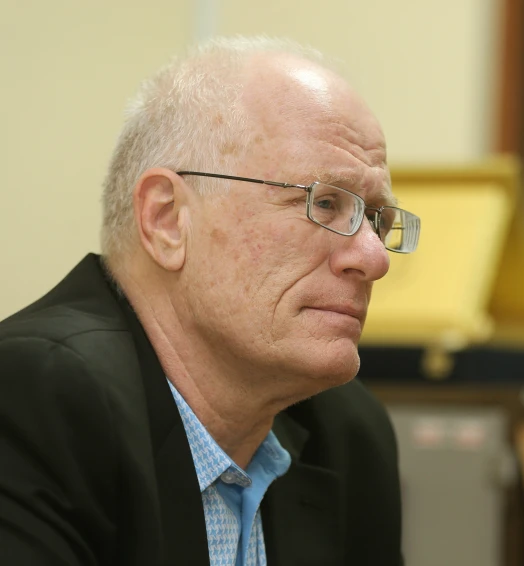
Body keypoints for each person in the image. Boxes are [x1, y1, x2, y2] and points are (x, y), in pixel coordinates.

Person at [0, 36, 420, 566]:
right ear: (168, 220)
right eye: (325, 203)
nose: (374, 258)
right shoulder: (31, 397)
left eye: (377, 220)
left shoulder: (349, 433)